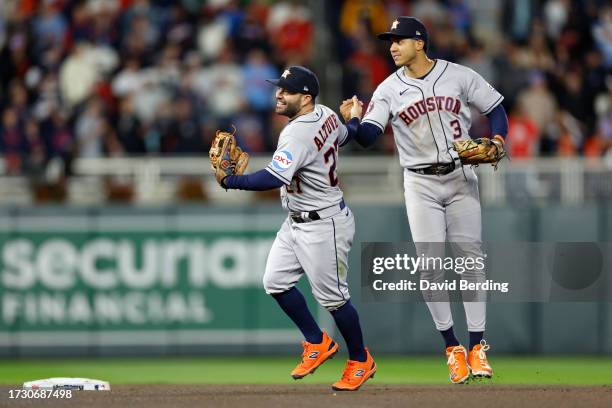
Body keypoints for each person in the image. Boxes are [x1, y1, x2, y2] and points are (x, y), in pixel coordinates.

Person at [340, 17, 508, 384]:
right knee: (430, 265)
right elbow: (368, 136)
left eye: (399, 40)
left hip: (461, 174)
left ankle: (478, 346)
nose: (392, 46)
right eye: (390, 41)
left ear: (420, 42)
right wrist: (354, 121)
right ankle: (452, 348)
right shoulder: (387, 89)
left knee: (470, 259)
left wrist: (496, 140)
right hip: (419, 183)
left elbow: (496, 108)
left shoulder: (458, 75)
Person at [218, 66, 376, 391]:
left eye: (286, 91)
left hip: (324, 224)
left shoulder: (297, 132)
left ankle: (361, 360)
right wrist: (355, 118)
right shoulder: (328, 115)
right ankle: (317, 342)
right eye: (279, 88)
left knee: (334, 300)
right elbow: (348, 134)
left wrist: (231, 181)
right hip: (298, 220)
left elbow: (273, 177)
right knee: (275, 282)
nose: (278, 94)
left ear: (305, 98)